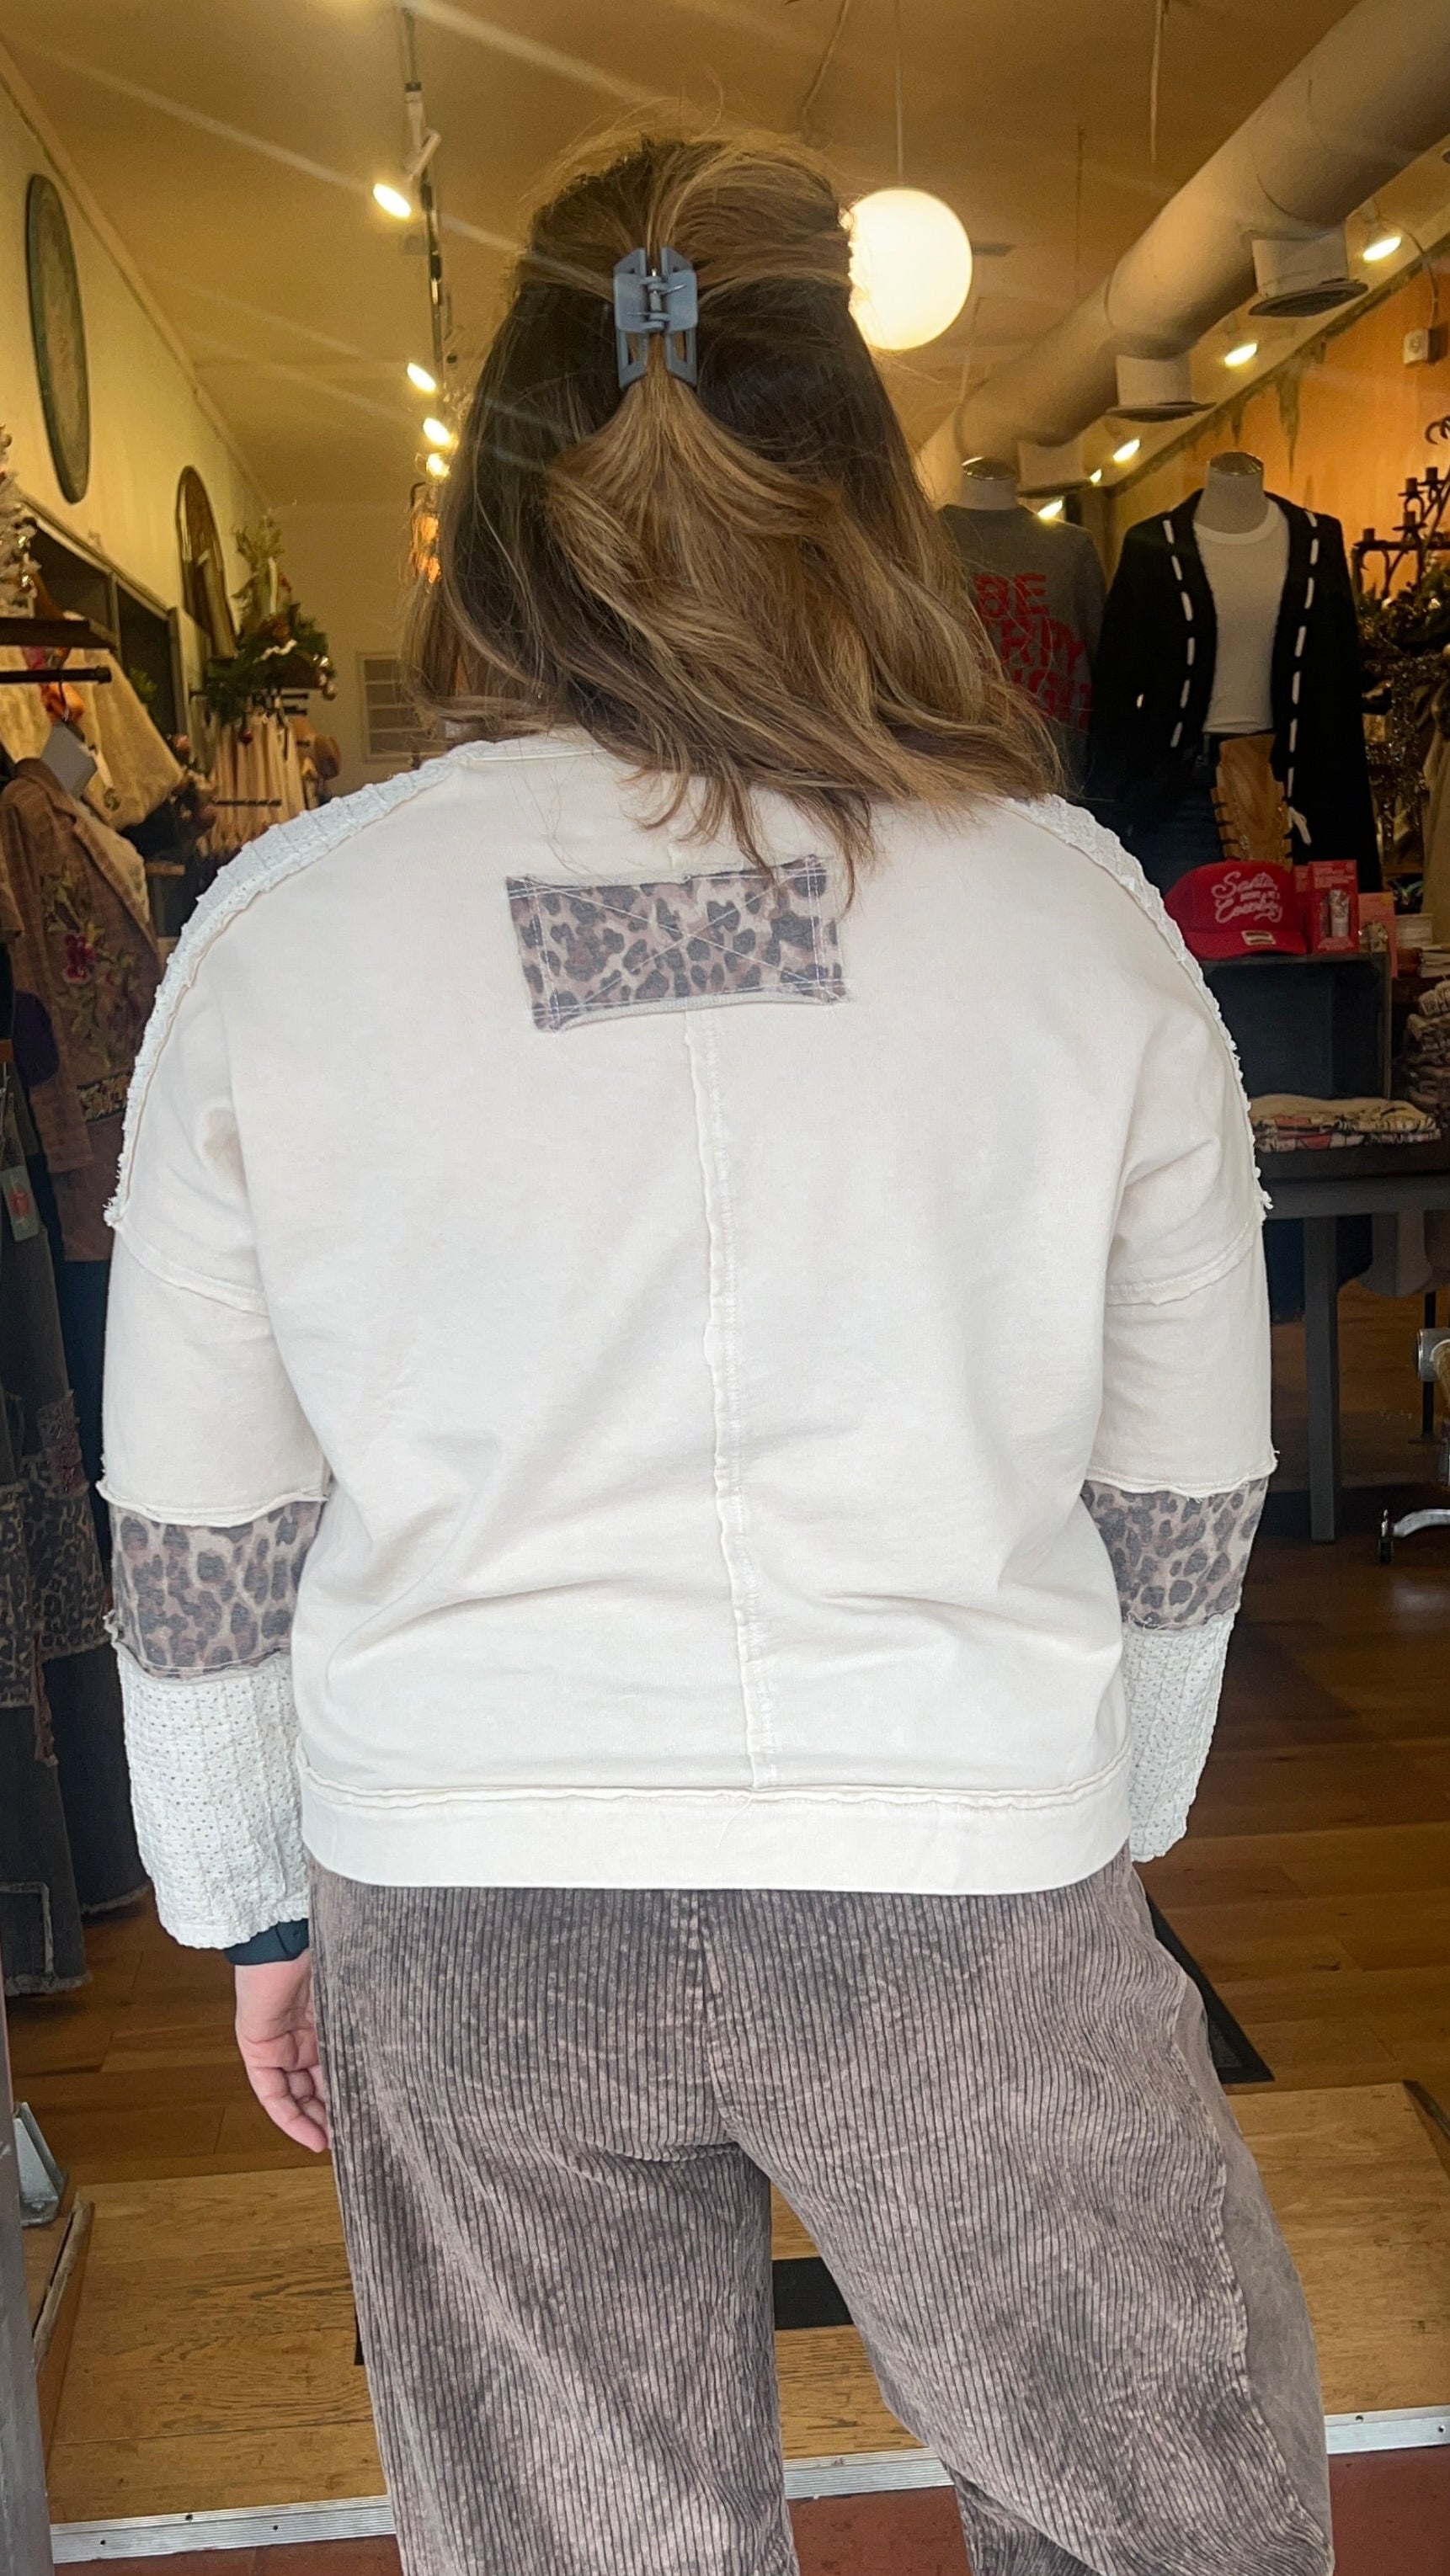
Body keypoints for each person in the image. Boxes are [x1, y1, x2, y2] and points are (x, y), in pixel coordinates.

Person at [101, 131, 1331, 2576]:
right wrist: (1116, 1789)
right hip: (959, 1863)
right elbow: (1186, 1470)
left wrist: (248, 1901)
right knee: (1159, 2518)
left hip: (468, 1874)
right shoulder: (1071, 917)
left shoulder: (284, 931)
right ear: (859, 480)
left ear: (498, 501)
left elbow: (203, 1521)